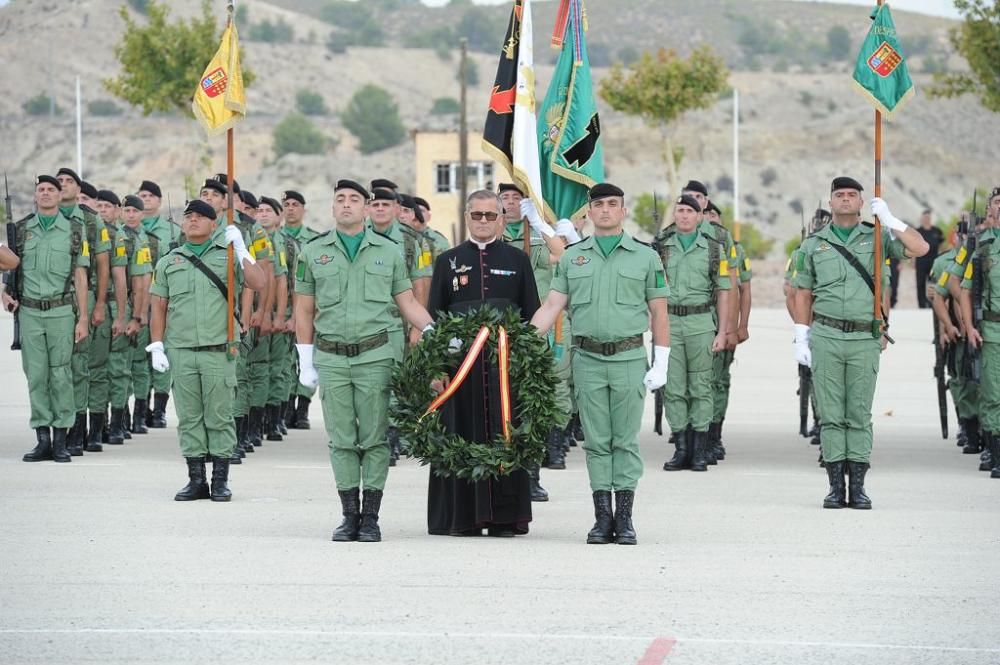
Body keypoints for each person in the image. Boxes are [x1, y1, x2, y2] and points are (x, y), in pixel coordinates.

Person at [295, 179, 434, 542]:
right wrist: (305, 359)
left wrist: (434, 331)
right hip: (333, 357)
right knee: (341, 439)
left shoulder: (387, 252)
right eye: (339, 199)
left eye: (354, 199)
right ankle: (348, 515)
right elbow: (304, 309)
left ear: (367, 207)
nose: (346, 205)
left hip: (375, 355)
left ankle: (370, 516)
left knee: (374, 439)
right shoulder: (314, 251)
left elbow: (407, 301)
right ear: (332, 208)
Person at [531, 183, 669, 545]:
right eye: (599, 205)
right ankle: (601, 518)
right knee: (596, 441)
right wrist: (521, 341)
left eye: (613, 204)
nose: (606, 210)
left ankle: (624, 519)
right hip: (588, 359)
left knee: (624, 441)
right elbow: (551, 307)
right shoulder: (574, 257)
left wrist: (662, 361)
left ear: (624, 211)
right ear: (589, 213)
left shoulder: (645, 257)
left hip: (627, 358)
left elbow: (659, 312)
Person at [792, 177, 929, 509]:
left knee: (858, 414)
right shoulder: (813, 244)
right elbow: (802, 291)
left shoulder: (878, 237)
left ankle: (860, 487)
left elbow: (920, 249)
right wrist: (801, 335)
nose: (845, 199)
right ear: (830, 201)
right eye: (839, 195)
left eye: (852, 195)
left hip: (864, 336)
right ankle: (836, 487)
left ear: (861, 202)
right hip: (825, 335)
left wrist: (893, 220)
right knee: (830, 414)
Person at [425, 190, 542, 536]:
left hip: (505, 368)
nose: (483, 222)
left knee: (504, 435)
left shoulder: (518, 261)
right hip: (460, 370)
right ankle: (464, 518)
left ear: (502, 219)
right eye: (477, 215)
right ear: (467, 217)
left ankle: (505, 518)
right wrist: (435, 368)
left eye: (491, 215)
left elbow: (531, 314)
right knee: (461, 433)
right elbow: (435, 317)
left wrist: (531, 365)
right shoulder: (447, 261)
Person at [148, 199, 266, 501]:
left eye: (201, 217)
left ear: (213, 225)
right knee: (189, 417)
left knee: (220, 415)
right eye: (188, 216)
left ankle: (220, 480)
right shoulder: (169, 261)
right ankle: (196, 478)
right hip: (182, 350)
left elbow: (259, 282)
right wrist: (157, 345)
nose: (193, 221)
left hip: (219, 350)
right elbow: (158, 307)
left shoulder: (226, 257)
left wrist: (242, 250)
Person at [2, 176, 90, 463]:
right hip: (29, 312)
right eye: (41, 190)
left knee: (62, 374)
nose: (46, 193)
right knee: (36, 375)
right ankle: (42, 439)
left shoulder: (75, 230)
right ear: (35, 196)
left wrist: (84, 318)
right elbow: (12, 266)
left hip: (62, 311)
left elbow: (80, 276)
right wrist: (5, 292)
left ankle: (62, 439)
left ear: (59, 194)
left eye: (51, 189)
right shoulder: (23, 229)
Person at [655, 195, 731, 472]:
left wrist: (722, 331)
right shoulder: (661, 247)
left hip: (700, 322)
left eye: (690, 211)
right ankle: (682, 449)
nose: (685, 215)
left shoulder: (713, 249)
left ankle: (700, 449)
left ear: (700, 216)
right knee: (673, 387)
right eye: (680, 210)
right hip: (670, 322)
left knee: (701, 387)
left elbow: (723, 291)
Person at [56, 169, 111, 456]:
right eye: (59, 181)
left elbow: (103, 265)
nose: (62, 186)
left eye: (68, 182)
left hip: (82, 297)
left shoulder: (91, 219)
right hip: (49, 299)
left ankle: (77, 431)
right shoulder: (44, 218)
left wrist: (99, 304)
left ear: (78, 189)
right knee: (53, 368)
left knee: (79, 365)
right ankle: (54, 431)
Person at [957, 187, 1000, 478]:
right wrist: (969, 326)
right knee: (993, 393)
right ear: (991, 210)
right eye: (998, 203)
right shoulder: (981, 248)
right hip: (993, 330)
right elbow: (963, 291)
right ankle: (996, 454)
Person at [104, 194, 153, 446]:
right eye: (127, 210)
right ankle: (114, 422)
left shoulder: (140, 240)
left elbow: (143, 281)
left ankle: (127, 419)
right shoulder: (113, 235)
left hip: (130, 307)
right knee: (105, 369)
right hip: (107, 306)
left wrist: (139, 315)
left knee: (128, 366)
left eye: (136, 211)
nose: (130, 215)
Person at [137, 180, 180, 429]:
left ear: (159, 201)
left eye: (151, 195)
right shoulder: (129, 228)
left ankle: (159, 410)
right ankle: (140, 411)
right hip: (140, 300)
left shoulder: (171, 230)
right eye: (141, 195)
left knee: (163, 352)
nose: (146, 199)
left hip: (164, 299)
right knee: (139, 359)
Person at [280, 189, 320, 430]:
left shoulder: (313, 240)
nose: (291, 208)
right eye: (287, 204)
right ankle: (286, 407)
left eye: (296, 204)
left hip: (307, 308)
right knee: (286, 361)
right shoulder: (272, 237)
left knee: (307, 355)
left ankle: (303, 408)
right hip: (283, 308)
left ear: (304, 209)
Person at [915, 210, 944, 308]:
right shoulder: (917, 231)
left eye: (928, 218)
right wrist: (911, 260)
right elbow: (912, 245)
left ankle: (933, 302)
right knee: (920, 283)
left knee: (933, 282)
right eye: (925, 218)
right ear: (922, 219)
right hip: (921, 261)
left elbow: (942, 245)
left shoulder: (937, 231)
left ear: (930, 219)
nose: (926, 220)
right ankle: (922, 304)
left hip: (933, 261)